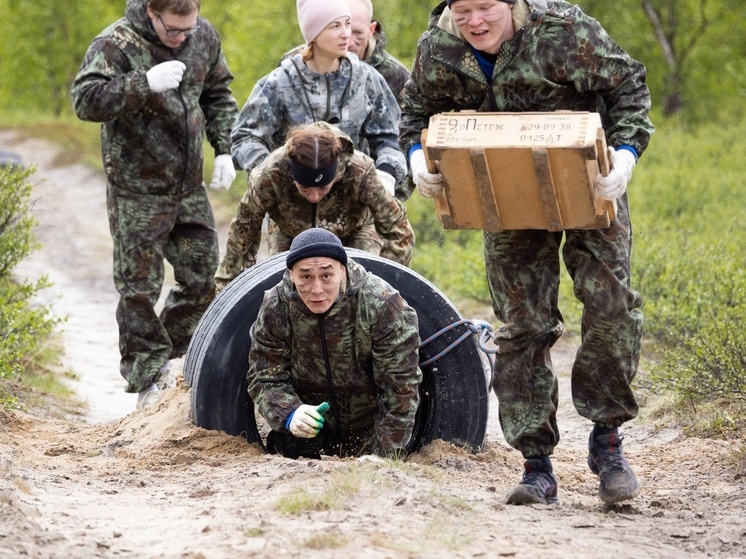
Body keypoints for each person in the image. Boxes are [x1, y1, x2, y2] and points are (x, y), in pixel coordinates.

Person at [399, 0, 654, 505]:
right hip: (504, 195)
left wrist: (625, 155)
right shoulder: (440, 47)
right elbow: (414, 113)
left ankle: (607, 441)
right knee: (522, 326)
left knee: (611, 307)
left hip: (589, 186)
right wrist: (415, 158)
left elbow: (628, 88)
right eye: (464, 10)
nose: (475, 23)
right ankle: (536, 465)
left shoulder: (565, 30)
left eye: (486, 9)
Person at [71, 0, 239, 410]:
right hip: (136, 188)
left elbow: (218, 94)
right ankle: (147, 379)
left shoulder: (203, 37)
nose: (181, 37)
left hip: (187, 185)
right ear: (151, 12)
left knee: (202, 278)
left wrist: (224, 150)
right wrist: (142, 82)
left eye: (188, 28)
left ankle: (176, 363)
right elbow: (85, 100)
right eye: (173, 30)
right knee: (139, 289)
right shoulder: (116, 43)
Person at [247, 228, 422, 458]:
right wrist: (289, 412)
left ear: (342, 270)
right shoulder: (276, 306)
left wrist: (385, 456)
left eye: (326, 276)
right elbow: (264, 375)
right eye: (306, 277)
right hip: (307, 433)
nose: (317, 290)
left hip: (372, 432)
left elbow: (401, 387)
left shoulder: (381, 304)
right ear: (291, 275)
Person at [230, 0, 407, 199]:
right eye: (335, 26)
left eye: (347, 24)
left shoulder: (367, 79)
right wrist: (272, 174)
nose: (345, 34)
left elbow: (393, 138)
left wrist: (386, 174)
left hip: (353, 209)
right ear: (314, 32)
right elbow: (244, 137)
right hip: (291, 209)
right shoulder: (281, 82)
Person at [214, 121, 414, 292]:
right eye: (305, 188)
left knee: (360, 284)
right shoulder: (269, 174)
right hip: (290, 232)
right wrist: (229, 290)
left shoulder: (360, 171)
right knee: (284, 288)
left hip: (354, 231)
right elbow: (243, 232)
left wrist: (390, 284)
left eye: (322, 188)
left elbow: (398, 228)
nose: (314, 197)